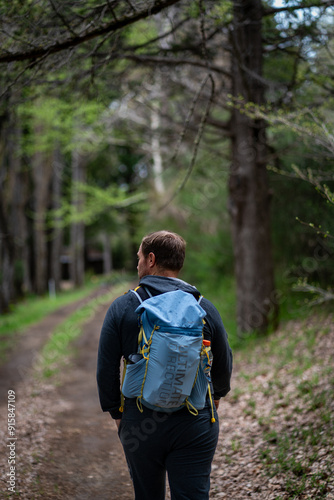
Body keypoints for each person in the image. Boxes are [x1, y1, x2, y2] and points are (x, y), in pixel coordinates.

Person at [97, 230, 233, 500]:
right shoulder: (203, 307)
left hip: (141, 421)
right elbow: (224, 362)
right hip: (195, 420)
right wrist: (215, 397)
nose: (137, 264)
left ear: (150, 259)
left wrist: (118, 414)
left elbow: (106, 369)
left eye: (138, 257)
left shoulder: (124, 306)